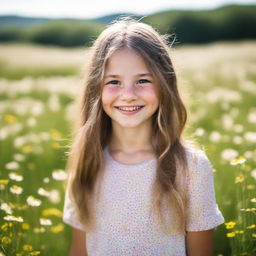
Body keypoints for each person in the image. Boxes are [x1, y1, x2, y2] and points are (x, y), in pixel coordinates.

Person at [62, 17, 225, 256]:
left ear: (164, 84)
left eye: (142, 80)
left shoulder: (190, 167)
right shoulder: (87, 162)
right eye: (114, 81)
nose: (128, 95)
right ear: (95, 88)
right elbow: (79, 251)